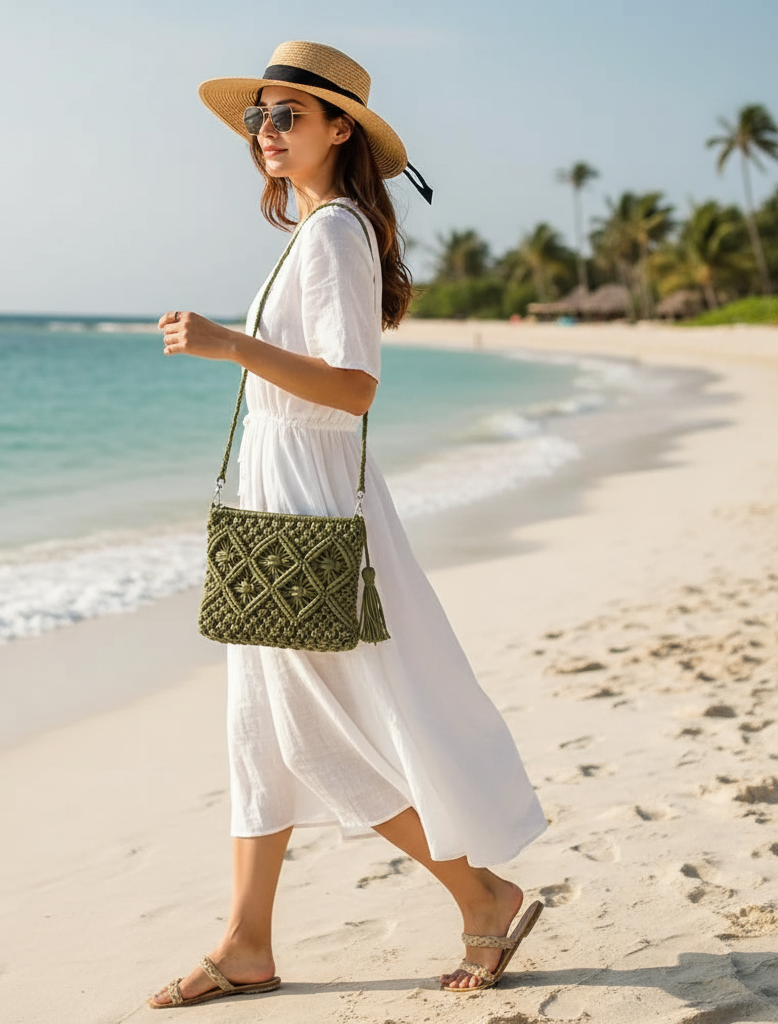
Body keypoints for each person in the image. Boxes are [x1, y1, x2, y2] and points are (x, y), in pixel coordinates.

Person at [150, 41, 547, 1009]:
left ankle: (482, 891)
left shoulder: (333, 233)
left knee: (317, 732)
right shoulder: (317, 231)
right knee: (259, 729)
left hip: (306, 501)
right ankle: (246, 941)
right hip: (279, 492)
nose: (266, 133)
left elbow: (354, 386)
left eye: (287, 115)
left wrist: (226, 343)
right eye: (258, 117)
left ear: (341, 129)